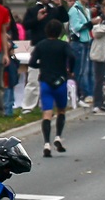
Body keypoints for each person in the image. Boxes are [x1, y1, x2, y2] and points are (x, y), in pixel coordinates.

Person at [21, 0, 70, 114]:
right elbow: (25, 25)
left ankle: (46, 103)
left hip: (52, 47)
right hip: (37, 45)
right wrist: (37, 19)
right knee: (33, 76)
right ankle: (28, 105)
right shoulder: (33, 10)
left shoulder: (53, 11)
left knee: (50, 76)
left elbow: (65, 19)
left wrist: (59, 5)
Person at [29, 19, 75, 157]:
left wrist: (42, 66)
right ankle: (58, 137)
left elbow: (32, 62)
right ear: (60, 32)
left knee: (47, 113)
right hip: (60, 81)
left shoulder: (41, 45)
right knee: (61, 110)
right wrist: (69, 69)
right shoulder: (63, 45)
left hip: (45, 82)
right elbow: (72, 56)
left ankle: (46, 144)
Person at [68, 0, 94, 106]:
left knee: (87, 69)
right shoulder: (74, 10)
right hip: (78, 42)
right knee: (80, 70)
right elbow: (75, 27)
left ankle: (87, 93)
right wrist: (90, 24)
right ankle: (79, 94)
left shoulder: (86, 10)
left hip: (87, 41)